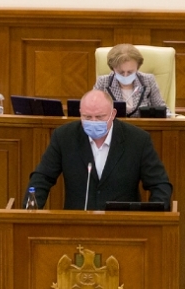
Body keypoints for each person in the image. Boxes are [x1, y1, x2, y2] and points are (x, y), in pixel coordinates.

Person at [23, 90, 172, 210]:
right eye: (87, 117)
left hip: (124, 227)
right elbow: (42, 177)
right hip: (77, 226)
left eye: (100, 117)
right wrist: (29, 210)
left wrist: (153, 219)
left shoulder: (137, 139)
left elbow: (160, 184)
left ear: (113, 114)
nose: (93, 122)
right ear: (80, 113)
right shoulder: (64, 136)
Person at [94, 44, 168, 117]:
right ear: (113, 68)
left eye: (130, 72)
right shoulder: (103, 82)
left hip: (142, 125)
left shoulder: (148, 81)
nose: (125, 75)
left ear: (137, 68)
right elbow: (92, 109)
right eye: (121, 72)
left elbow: (163, 110)